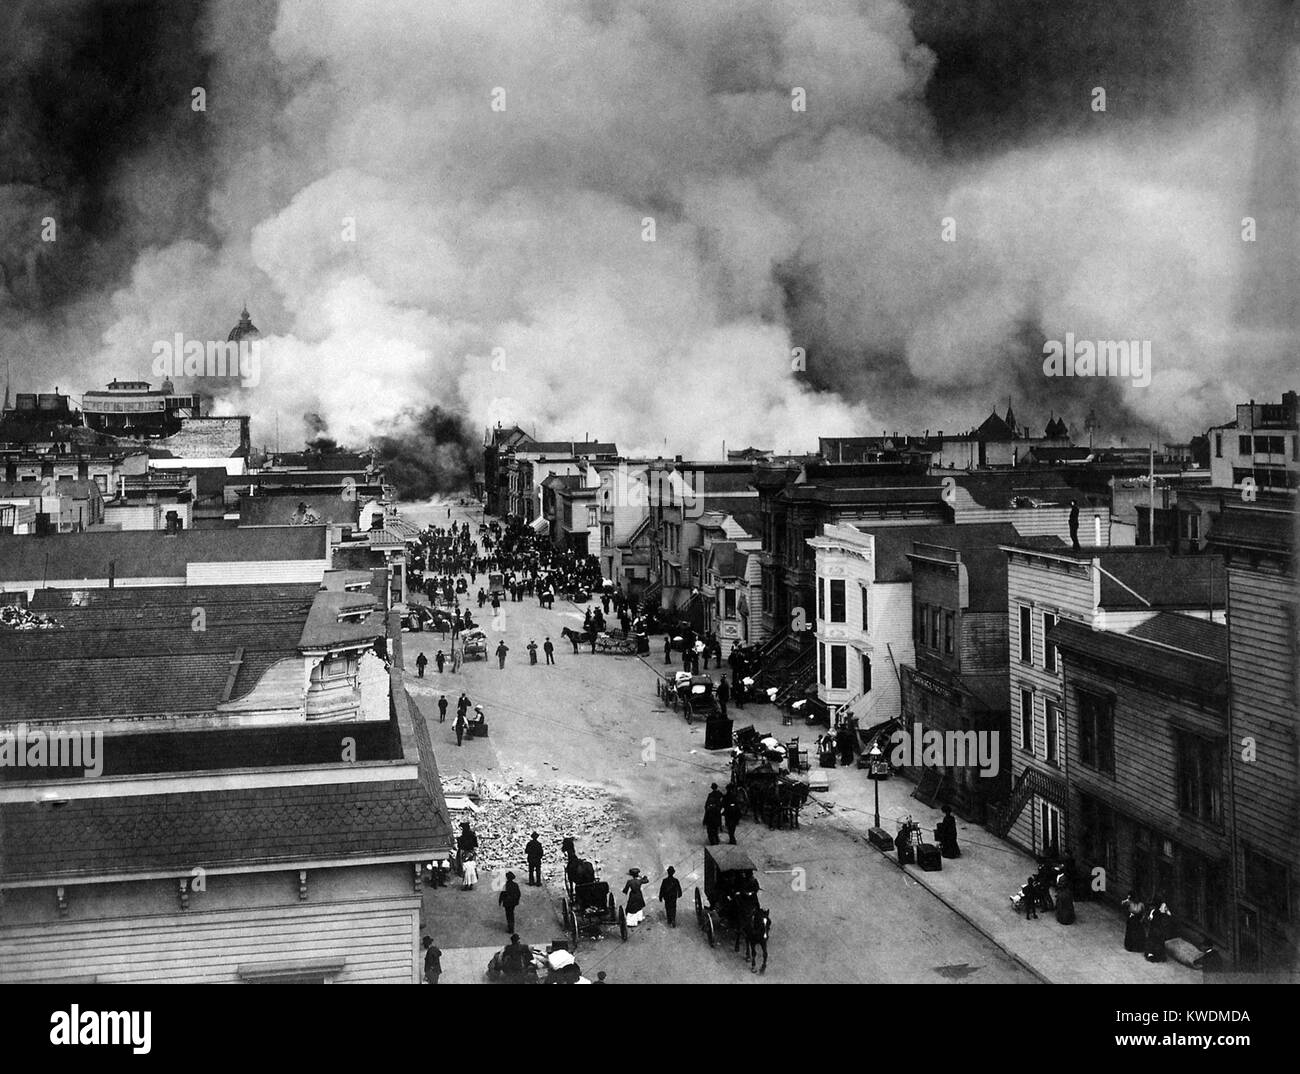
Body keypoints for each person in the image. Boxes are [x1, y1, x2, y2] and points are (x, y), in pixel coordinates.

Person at [1145, 896, 1171, 962]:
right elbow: (1150, 919)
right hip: (1154, 930)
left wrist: (1167, 912)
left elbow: (1168, 919)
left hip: (1160, 931)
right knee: (1152, 941)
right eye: (1163, 906)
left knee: (1159, 943)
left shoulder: (1165, 914)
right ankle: (1150, 954)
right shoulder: (1154, 912)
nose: (1164, 908)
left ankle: (1159, 955)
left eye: (1165, 907)